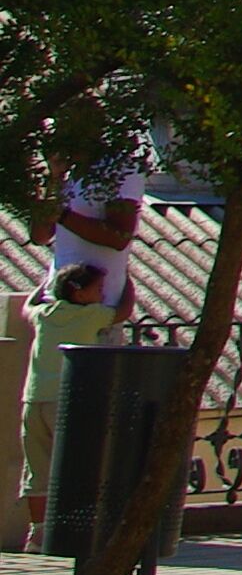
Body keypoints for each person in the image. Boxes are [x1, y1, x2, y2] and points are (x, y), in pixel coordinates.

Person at [21, 260, 121, 542]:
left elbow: (26, 308)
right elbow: (122, 311)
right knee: (78, 462)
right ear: (78, 293)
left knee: (37, 468)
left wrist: (42, 286)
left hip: (34, 399)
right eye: (99, 288)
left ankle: (37, 533)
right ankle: (76, 530)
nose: (102, 293)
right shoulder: (91, 316)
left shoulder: (45, 313)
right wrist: (127, 286)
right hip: (65, 400)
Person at [31, 156, 145, 310]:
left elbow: (119, 238)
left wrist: (62, 216)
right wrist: (55, 177)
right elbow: (40, 237)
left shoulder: (122, 169)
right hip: (55, 302)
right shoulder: (66, 173)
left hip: (98, 306)